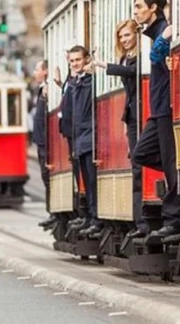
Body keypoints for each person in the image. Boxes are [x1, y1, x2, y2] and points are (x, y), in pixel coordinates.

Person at [131, 0, 180, 242]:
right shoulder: (156, 32)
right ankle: (178, 182)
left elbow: (157, 56)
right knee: (142, 152)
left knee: (169, 162)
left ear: (153, 8)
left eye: (139, 6)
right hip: (159, 107)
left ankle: (174, 218)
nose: (136, 12)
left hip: (166, 107)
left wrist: (164, 39)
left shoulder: (164, 29)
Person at [90, 20, 146, 238]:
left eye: (127, 35)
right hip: (132, 115)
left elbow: (134, 73)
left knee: (139, 165)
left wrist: (105, 65)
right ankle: (138, 220)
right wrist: (125, 120)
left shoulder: (140, 58)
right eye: (121, 37)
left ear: (137, 35)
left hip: (142, 113)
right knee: (135, 166)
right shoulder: (125, 58)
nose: (124, 40)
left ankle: (143, 220)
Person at [62, 46, 98, 237]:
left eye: (78, 60)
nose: (75, 64)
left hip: (88, 136)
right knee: (86, 180)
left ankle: (95, 218)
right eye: (72, 61)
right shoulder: (75, 82)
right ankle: (92, 217)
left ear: (86, 59)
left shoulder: (89, 81)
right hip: (78, 138)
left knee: (92, 180)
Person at [30, 61, 58, 230]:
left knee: (48, 178)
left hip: (45, 141)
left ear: (45, 71)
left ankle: (53, 212)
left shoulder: (48, 89)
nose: (35, 72)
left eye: (37, 68)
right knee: (45, 177)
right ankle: (51, 212)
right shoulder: (42, 89)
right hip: (41, 141)